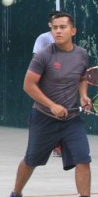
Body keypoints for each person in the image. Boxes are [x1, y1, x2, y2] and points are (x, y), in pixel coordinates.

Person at [6, 12, 98, 197]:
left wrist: (83, 95)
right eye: (54, 28)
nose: (58, 31)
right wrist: (51, 105)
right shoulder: (43, 55)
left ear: (73, 31)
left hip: (71, 119)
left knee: (83, 159)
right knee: (30, 160)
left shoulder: (81, 54)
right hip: (43, 118)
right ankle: (16, 195)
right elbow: (28, 85)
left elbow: (82, 77)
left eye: (62, 27)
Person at [33, 10, 62, 157]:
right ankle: (51, 144)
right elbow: (36, 59)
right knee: (46, 112)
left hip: (62, 81)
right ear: (50, 24)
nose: (58, 28)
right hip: (46, 81)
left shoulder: (65, 39)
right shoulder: (43, 38)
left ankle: (57, 144)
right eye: (54, 23)